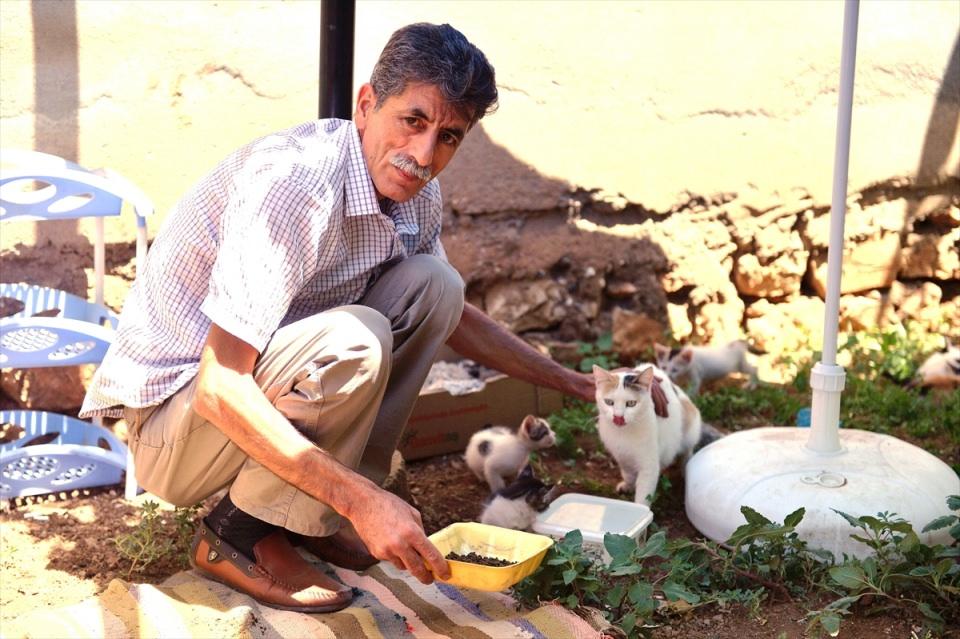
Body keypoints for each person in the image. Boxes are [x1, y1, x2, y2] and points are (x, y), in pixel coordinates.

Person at [81, 22, 660, 613]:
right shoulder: (296, 188)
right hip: (175, 429)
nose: (424, 156)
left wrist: (576, 382)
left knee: (436, 286)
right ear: (366, 105)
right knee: (357, 338)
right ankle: (237, 532)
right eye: (413, 120)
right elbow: (219, 384)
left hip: (254, 394)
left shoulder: (412, 193)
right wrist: (362, 499)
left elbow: (452, 316)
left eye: (449, 137)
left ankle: (307, 516)